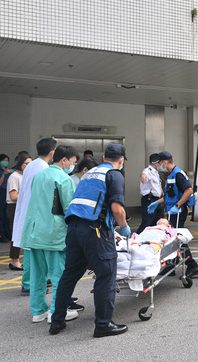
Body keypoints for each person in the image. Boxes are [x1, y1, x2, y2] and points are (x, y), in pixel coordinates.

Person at [50, 144, 130, 337]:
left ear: (104, 157)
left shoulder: (89, 173)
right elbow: (117, 209)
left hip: (74, 228)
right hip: (95, 231)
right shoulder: (114, 174)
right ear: (121, 161)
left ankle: (57, 321)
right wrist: (124, 226)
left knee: (69, 275)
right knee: (106, 275)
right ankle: (103, 325)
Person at [21, 146, 80, 323]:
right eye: (73, 162)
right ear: (64, 160)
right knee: (58, 275)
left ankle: (38, 311)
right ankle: (56, 311)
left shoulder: (39, 175)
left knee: (38, 275)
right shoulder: (64, 178)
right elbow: (69, 209)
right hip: (54, 232)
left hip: (34, 230)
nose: (72, 166)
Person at [13, 138, 57, 296]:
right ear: (52, 152)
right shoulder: (44, 168)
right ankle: (29, 283)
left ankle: (35, 280)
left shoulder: (32, 164)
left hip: (28, 211)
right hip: (36, 213)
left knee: (32, 248)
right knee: (33, 249)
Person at [147, 151, 198, 277]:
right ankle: (171, 265)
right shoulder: (171, 174)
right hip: (172, 212)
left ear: (165, 162)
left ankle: (192, 266)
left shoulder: (178, 174)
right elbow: (171, 196)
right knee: (171, 239)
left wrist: (177, 206)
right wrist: (157, 203)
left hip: (178, 212)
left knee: (177, 239)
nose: (159, 166)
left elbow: (189, 191)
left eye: (159, 163)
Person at [6, 154, 32, 270]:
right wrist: (28, 195)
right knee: (16, 233)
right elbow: (13, 196)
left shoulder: (27, 176)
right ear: (20, 163)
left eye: (30, 163)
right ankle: (14, 261)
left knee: (22, 233)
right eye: (26, 163)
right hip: (14, 207)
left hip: (23, 206)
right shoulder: (14, 176)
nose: (28, 166)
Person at [138, 153, 162, 234]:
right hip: (149, 200)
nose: (162, 164)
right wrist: (143, 176)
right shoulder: (147, 171)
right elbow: (144, 175)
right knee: (147, 222)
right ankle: (136, 238)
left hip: (156, 200)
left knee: (156, 222)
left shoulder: (156, 172)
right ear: (156, 162)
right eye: (160, 162)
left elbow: (158, 185)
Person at [0, 154, 11, 242]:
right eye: (4, 160)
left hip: (7, 192)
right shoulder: (2, 171)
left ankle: (7, 233)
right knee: (1, 214)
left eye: (7, 160)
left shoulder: (8, 171)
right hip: (1, 192)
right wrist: (3, 174)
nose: (5, 162)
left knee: (6, 215)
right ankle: (1, 234)